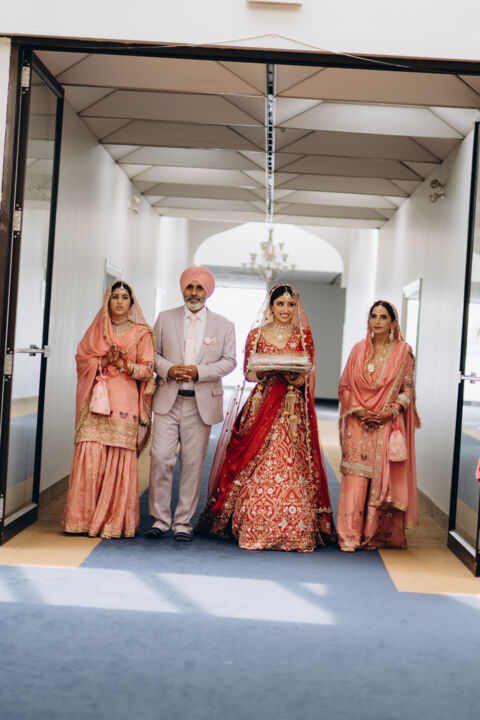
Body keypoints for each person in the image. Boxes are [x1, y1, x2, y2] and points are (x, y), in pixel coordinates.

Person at [196, 284, 336, 552]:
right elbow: (249, 373)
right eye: (280, 303)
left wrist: (295, 376)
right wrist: (264, 370)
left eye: (291, 304)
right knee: (254, 457)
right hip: (262, 405)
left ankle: (293, 527)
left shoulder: (303, 336)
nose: (285, 309)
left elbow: (307, 377)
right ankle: (253, 521)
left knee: (290, 460)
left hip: (291, 410)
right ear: (271, 306)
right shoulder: (256, 335)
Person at [146, 266, 236, 542]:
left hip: (200, 404)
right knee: (160, 458)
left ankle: (183, 523)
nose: (194, 293)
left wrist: (199, 372)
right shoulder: (165, 318)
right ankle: (160, 520)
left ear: (208, 291)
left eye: (199, 288)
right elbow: (152, 354)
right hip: (168, 399)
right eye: (189, 287)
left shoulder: (224, 325)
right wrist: (169, 369)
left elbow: (230, 361)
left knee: (192, 464)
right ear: (182, 289)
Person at [63, 281, 155, 538]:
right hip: (96, 401)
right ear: (108, 301)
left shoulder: (141, 333)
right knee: (90, 453)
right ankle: (81, 520)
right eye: (115, 296)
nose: (119, 302)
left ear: (131, 303)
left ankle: (113, 522)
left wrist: (123, 365)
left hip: (124, 401)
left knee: (118, 458)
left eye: (125, 297)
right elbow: (82, 359)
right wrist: (103, 361)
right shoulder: (97, 330)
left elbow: (148, 369)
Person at [337, 300, 421, 551]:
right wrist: (359, 409)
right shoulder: (358, 349)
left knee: (380, 480)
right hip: (358, 421)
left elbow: (407, 389)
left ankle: (374, 534)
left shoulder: (403, 353)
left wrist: (389, 411)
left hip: (386, 423)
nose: (377, 321)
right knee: (354, 479)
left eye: (383, 317)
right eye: (373, 316)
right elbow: (345, 386)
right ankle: (349, 536)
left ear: (393, 322)